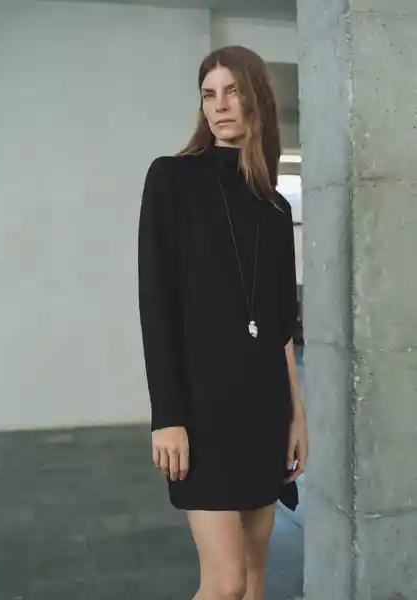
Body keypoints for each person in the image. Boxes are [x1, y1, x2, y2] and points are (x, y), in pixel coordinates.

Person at [138, 45, 308, 600]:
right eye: (209, 95)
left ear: (257, 99)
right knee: (225, 582)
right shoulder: (172, 179)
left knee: (255, 575)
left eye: (233, 91)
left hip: (264, 408)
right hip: (202, 411)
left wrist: (297, 413)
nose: (220, 105)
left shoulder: (276, 208)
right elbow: (156, 305)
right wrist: (167, 417)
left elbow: (280, 328)